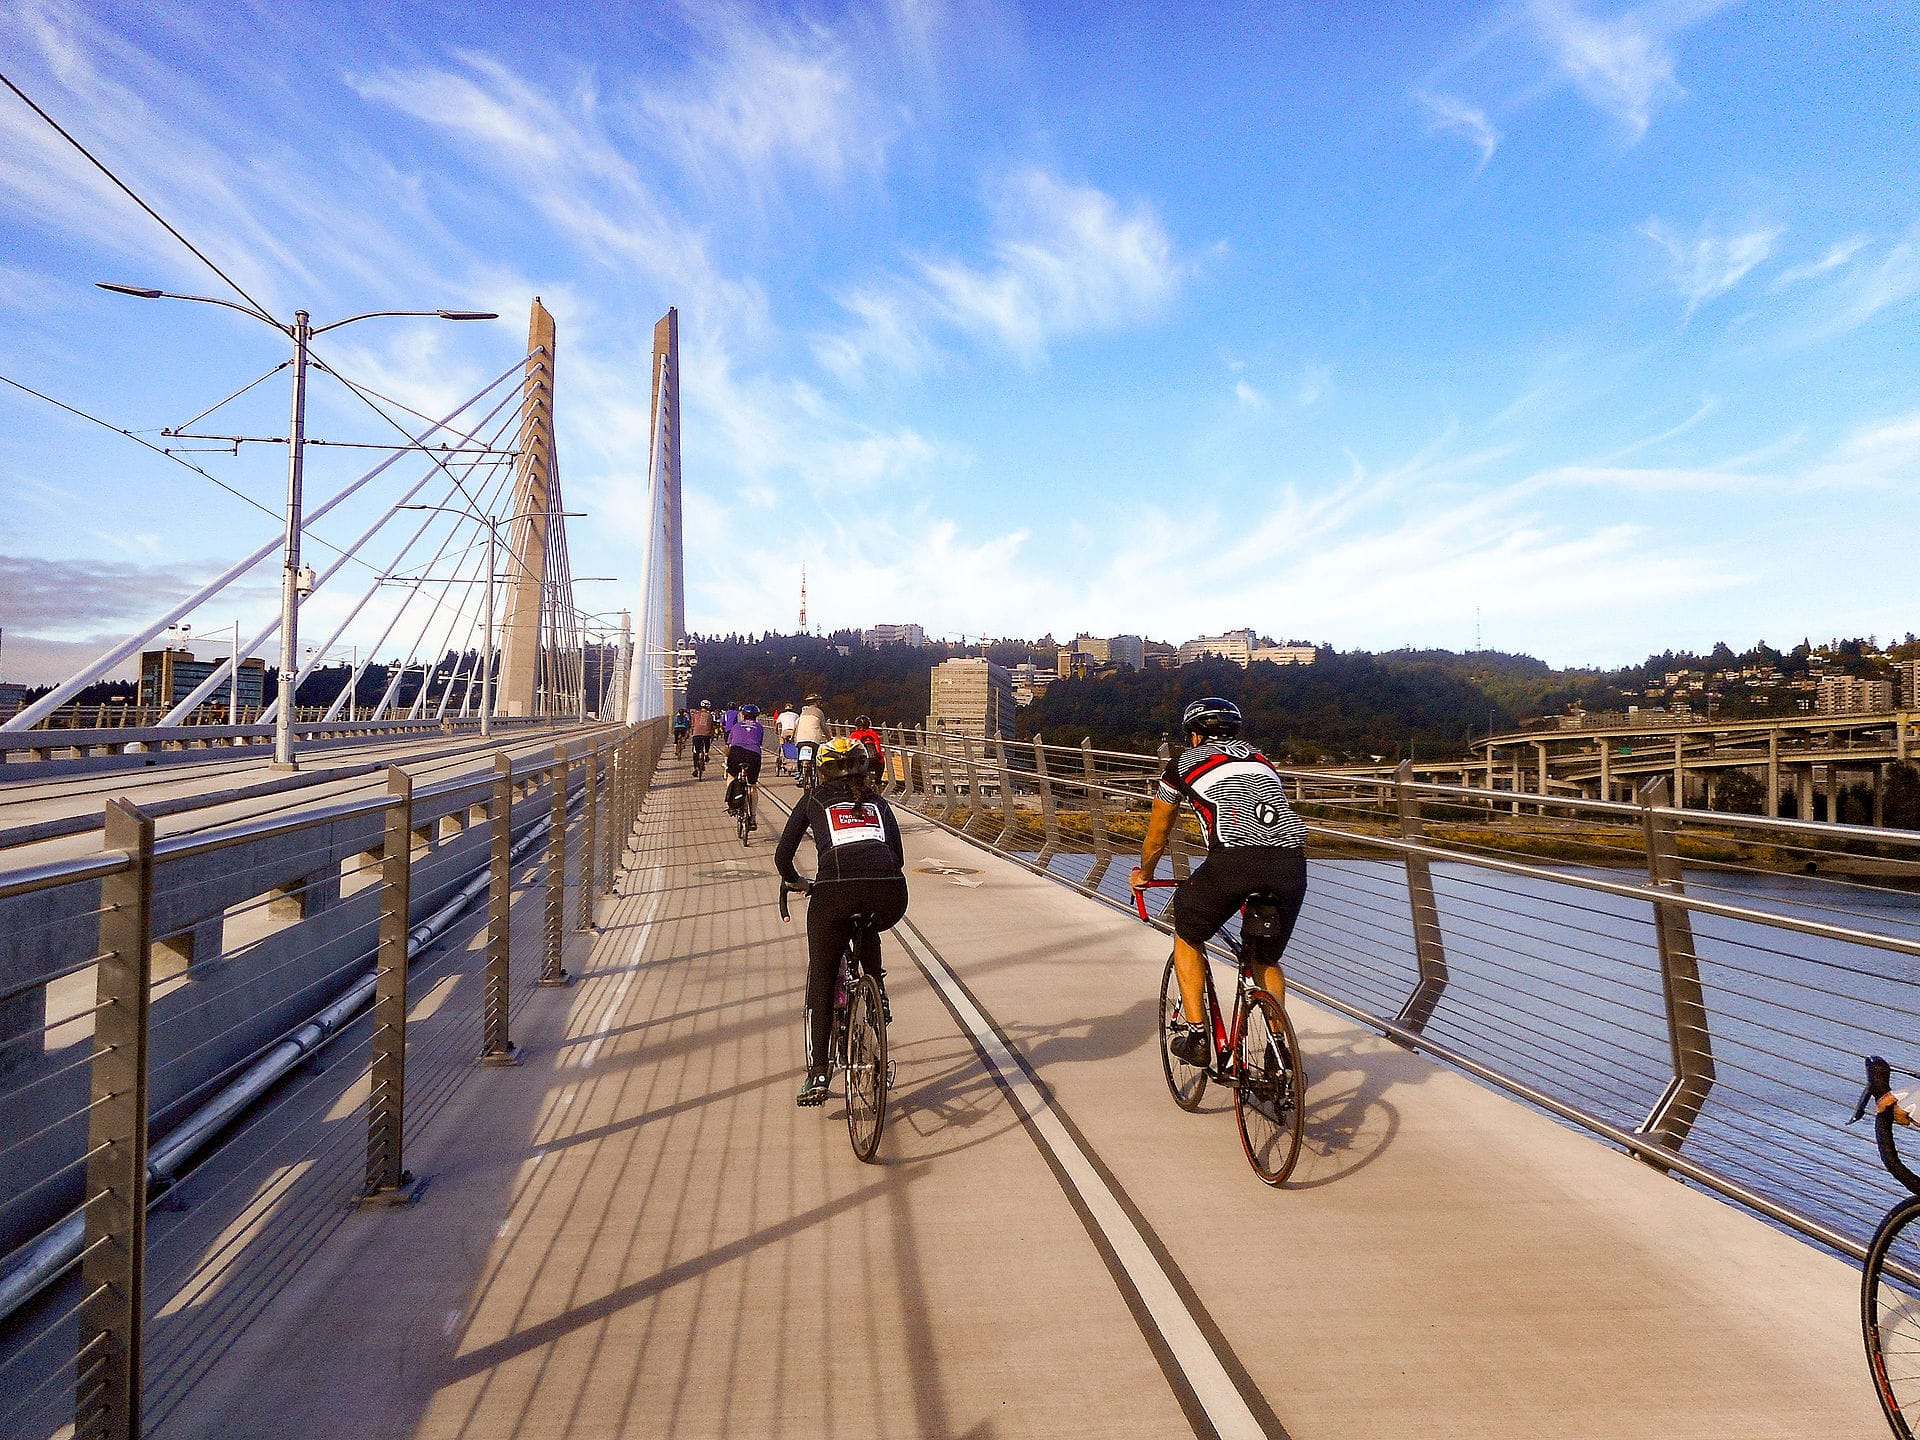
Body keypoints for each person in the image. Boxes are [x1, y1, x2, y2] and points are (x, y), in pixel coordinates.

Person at [1130, 697, 1308, 1067]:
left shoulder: (1180, 766)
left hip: (1233, 862)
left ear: (1194, 735)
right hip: (1291, 865)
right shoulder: (1261, 760)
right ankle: (1279, 1052)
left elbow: (1158, 836)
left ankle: (1197, 1037)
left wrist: (1144, 874)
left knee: (1188, 933)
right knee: (1265, 957)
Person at [776, 738, 908, 1107]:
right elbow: (897, 856)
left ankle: (819, 1073)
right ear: (864, 769)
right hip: (890, 893)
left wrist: (795, 881)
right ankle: (877, 989)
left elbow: (783, 856)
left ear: (822, 771)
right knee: (868, 919)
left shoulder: (814, 798)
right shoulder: (879, 802)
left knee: (822, 973)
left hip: (835, 891)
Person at [724, 703, 766, 830]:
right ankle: (753, 818)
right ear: (756, 716)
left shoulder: (736, 726)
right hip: (753, 755)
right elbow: (759, 743)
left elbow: (729, 745)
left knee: (731, 776)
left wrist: (727, 760)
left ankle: (731, 803)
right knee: (752, 785)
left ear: (742, 715)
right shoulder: (759, 727)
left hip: (736, 753)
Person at [792, 693, 829, 784]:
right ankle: (818, 777)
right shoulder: (819, 712)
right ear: (816, 702)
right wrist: (830, 739)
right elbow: (824, 727)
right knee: (816, 758)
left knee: (800, 757)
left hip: (800, 740)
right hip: (813, 740)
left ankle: (800, 773)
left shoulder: (803, 713)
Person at [848, 715, 885, 782]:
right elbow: (879, 751)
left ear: (856, 726)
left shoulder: (854, 735)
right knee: (881, 760)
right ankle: (878, 782)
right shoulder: (874, 734)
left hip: (862, 763)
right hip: (877, 763)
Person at [688, 699, 715, 775]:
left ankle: (695, 768)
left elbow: (692, 724)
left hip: (696, 734)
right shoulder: (710, 715)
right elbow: (711, 726)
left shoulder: (695, 714)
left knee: (695, 751)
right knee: (707, 742)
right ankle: (706, 754)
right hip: (706, 735)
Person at [775, 702, 800, 776]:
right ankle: (794, 757)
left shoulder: (782, 715)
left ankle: (783, 755)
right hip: (793, 732)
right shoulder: (796, 715)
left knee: (782, 742)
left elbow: (777, 723)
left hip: (785, 731)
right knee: (795, 744)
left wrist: (776, 730)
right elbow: (798, 724)